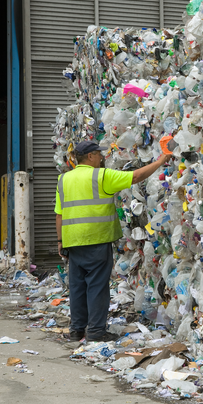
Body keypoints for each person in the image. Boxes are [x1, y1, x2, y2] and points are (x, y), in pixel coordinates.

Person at [55, 141, 170, 342]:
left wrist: (60, 241)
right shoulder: (101, 176)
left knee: (77, 287)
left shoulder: (64, 179)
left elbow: (59, 215)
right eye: (99, 155)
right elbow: (135, 177)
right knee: (97, 287)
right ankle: (96, 331)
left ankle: (76, 330)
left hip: (72, 241)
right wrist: (161, 160)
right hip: (97, 239)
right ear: (90, 156)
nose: (102, 158)